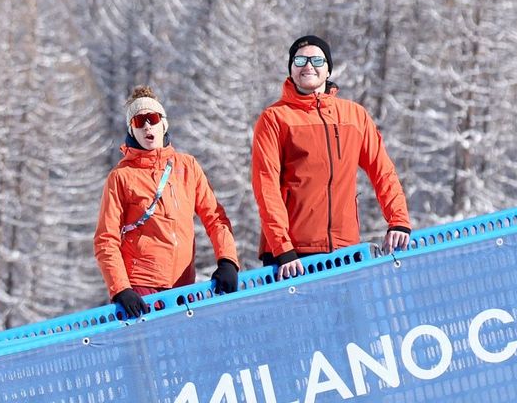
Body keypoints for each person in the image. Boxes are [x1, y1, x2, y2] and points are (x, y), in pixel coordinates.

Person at [251, 36, 412, 280]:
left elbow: (383, 172)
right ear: (291, 69)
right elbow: (266, 187)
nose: (308, 66)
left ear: (328, 70)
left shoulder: (354, 116)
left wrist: (398, 221)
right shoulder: (275, 118)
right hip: (292, 256)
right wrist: (282, 247)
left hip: (344, 251)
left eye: (317, 59)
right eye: (300, 60)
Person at [93, 86, 240, 319]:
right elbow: (106, 239)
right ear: (132, 130)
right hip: (142, 288)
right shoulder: (121, 176)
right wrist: (121, 288)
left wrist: (228, 260)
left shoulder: (187, 166)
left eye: (152, 119)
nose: (147, 126)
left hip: (184, 285)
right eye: (139, 121)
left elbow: (215, 217)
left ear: (164, 124)